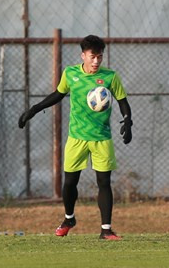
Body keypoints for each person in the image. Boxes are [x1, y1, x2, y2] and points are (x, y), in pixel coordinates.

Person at [18, 35, 132, 240]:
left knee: (104, 182)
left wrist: (128, 120)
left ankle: (106, 229)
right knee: (70, 182)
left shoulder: (110, 77)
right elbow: (58, 94)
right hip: (77, 137)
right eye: (92, 57)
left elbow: (122, 100)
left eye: (99, 57)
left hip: (101, 138)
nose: (96, 61)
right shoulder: (71, 74)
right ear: (83, 56)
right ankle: (69, 218)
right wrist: (34, 109)